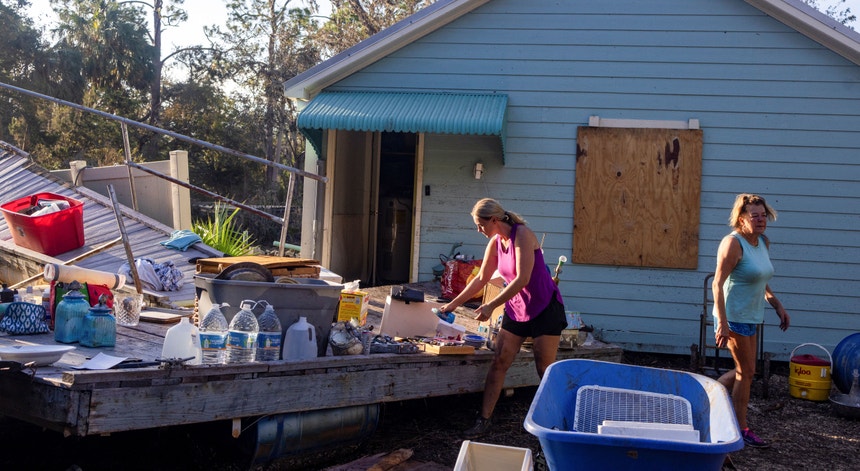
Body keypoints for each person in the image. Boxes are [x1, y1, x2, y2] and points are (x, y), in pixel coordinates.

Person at [439, 198, 566, 439]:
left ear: (494, 220)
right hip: (517, 308)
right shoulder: (496, 242)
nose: (479, 230)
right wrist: (452, 304)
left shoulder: (523, 235)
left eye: (480, 224)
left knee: (544, 368)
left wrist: (490, 306)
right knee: (499, 361)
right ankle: (484, 420)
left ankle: (558, 422)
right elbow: (480, 279)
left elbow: (522, 279)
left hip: (544, 307)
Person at [712, 193, 790, 448]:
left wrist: (776, 303)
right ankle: (740, 428)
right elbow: (717, 283)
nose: (760, 220)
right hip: (733, 315)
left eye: (763, 215)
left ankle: (708, 394)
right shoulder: (732, 243)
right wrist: (722, 322)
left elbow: (760, 278)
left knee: (745, 371)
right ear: (741, 218)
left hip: (751, 314)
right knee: (746, 372)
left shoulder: (762, 242)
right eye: (754, 216)